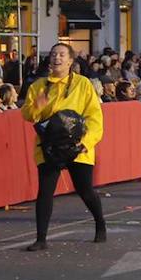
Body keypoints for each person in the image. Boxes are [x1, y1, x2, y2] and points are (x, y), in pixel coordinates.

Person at [20, 43, 107, 251]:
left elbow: (95, 118)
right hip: (49, 145)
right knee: (45, 191)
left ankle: (100, 223)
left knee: (84, 189)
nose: (56, 58)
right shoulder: (38, 86)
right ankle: (41, 238)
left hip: (77, 144)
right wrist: (37, 106)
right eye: (53, 55)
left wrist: (86, 143)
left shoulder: (83, 84)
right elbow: (26, 114)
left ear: (70, 61)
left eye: (61, 55)